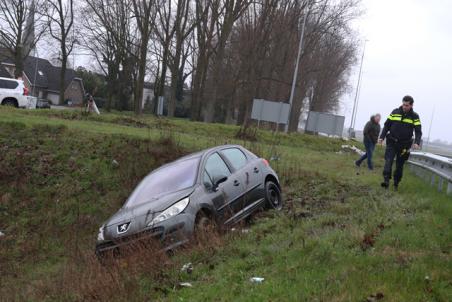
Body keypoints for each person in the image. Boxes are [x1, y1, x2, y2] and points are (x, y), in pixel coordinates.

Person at [378, 95, 422, 190]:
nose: (404, 107)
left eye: (406, 105)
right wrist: (381, 137)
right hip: (392, 142)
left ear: (411, 105)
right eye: (403, 104)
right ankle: (386, 181)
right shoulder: (395, 112)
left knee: (399, 165)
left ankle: (396, 183)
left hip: (405, 145)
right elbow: (386, 126)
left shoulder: (415, 116)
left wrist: (417, 142)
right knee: (388, 161)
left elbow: (418, 131)